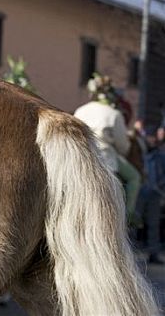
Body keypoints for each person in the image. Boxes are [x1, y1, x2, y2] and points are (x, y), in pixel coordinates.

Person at [74, 75, 141, 218]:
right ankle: (127, 216)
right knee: (135, 177)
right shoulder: (114, 114)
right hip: (105, 155)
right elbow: (123, 146)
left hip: (81, 156)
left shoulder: (80, 110)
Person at [138, 126, 165, 264]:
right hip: (140, 192)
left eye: (154, 137)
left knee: (153, 224)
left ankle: (153, 253)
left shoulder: (160, 155)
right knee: (133, 220)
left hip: (154, 193)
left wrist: (160, 186)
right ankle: (127, 253)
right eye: (150, 137)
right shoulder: (140, 153)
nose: (152, 140)